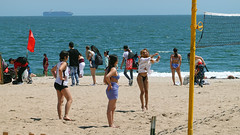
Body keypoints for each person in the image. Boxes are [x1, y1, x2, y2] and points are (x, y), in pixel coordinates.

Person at [51, 50, 73, 121]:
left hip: (57, 83)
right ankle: (66, 115)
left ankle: (60, 117)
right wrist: (61, 77)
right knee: (70, 99)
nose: (68, 57)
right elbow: (60, 70)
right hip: (62, 84)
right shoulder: (64, 63)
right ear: (65, 57)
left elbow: (52, 70)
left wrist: (56, 77)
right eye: (68, 56)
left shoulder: (58, 63)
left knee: (60, 101)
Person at [104, 54, 119, 128]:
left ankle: (112, 123)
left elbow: (104, 79)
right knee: (111, 107)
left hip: (112, 88)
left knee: (113, 107)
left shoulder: (108, 68)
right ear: (115, 61)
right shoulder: (113, 69)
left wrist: (109, 84)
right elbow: (107, 77)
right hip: (113, 88)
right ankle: (110, 124)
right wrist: (110, 84)